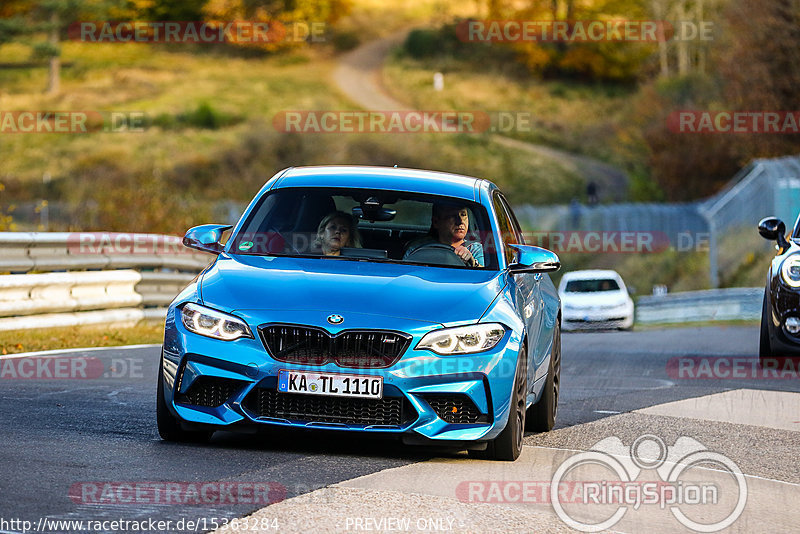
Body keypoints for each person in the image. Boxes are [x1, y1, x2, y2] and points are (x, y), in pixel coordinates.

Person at [404, 202, 484, 267]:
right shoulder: (417, 249)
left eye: (463, 215)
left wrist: (473, 263)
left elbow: (487, 276)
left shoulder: (475, 249)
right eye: (452, 216)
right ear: (436, 222)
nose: (460, 221)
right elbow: (404, 272)